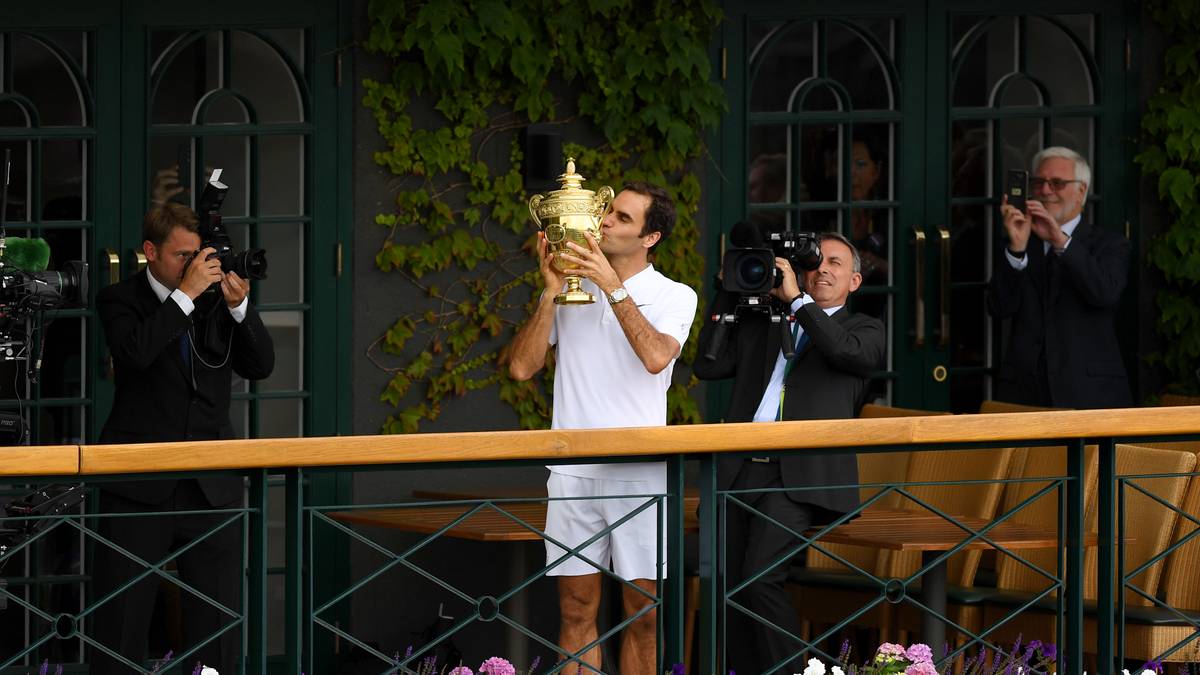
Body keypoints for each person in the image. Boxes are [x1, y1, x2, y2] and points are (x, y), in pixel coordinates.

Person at [506, 181, 697, 675]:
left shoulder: (675, 295)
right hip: (571, 472)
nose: (606, 220)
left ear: (650, 239)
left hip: (641, 475)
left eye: (623, 218)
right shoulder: (571, 288)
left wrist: (611, 285)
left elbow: (656, 357)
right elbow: (522, 369)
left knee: (643, 616)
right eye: (608, 211)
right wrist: (550, 292)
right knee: (574, 611)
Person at [91, 202, 275, 673]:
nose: (195, 266)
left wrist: (239, 308)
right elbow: (134, 356)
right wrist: (185, 297)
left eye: (200, 255)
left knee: (215, 621)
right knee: (122, 616)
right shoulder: (120, 300)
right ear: (150, 251)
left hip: (210, 486)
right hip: (138, 484)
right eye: (182, 256)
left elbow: (262, 367)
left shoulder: (218, 300)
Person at [693, 232, 885, 674]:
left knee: (760, 580)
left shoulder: (864, 330)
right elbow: (708, 364)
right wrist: (729, 288)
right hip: (741, 468)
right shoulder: (767, 323)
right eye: (817, 262)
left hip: (799, 478)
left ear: (854, 281)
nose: (824, 270)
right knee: (727, 587)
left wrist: (798, 302)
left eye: (836, 263)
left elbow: (841, 350)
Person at [987, 146, 1132, 408]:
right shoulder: (1018, 240)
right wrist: (1017, 249)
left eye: (1057, 183)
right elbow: (999, 307)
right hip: (1024, 395)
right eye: (1039, 182)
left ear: (1081, 191)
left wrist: (1060, 241)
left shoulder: (1109, 244)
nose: (1045, 190)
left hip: (1088, 394)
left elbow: (1104, 293)